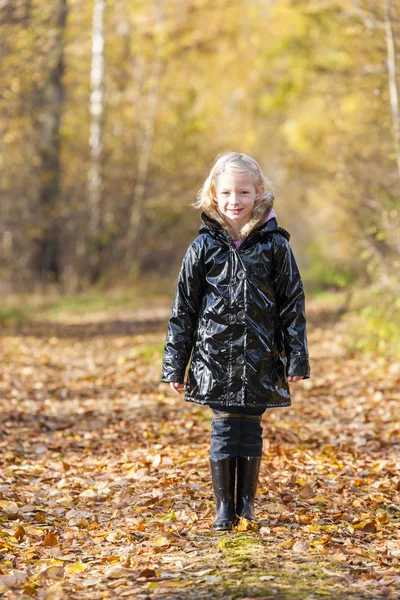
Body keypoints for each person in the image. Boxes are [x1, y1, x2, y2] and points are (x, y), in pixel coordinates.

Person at [161, 151, 310, 531]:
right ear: (213, 194)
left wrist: (296, 357)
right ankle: (224, 507)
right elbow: (184, 311)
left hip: (260, 355)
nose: (235, 201)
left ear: (258, 193)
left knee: (250, 429)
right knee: (225, 429)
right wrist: (175, 365)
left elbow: (292, 303)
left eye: (244, 192)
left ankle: (247, 503)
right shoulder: (203, 248)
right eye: (227, 192)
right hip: (214, 357)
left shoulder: (275, 245)